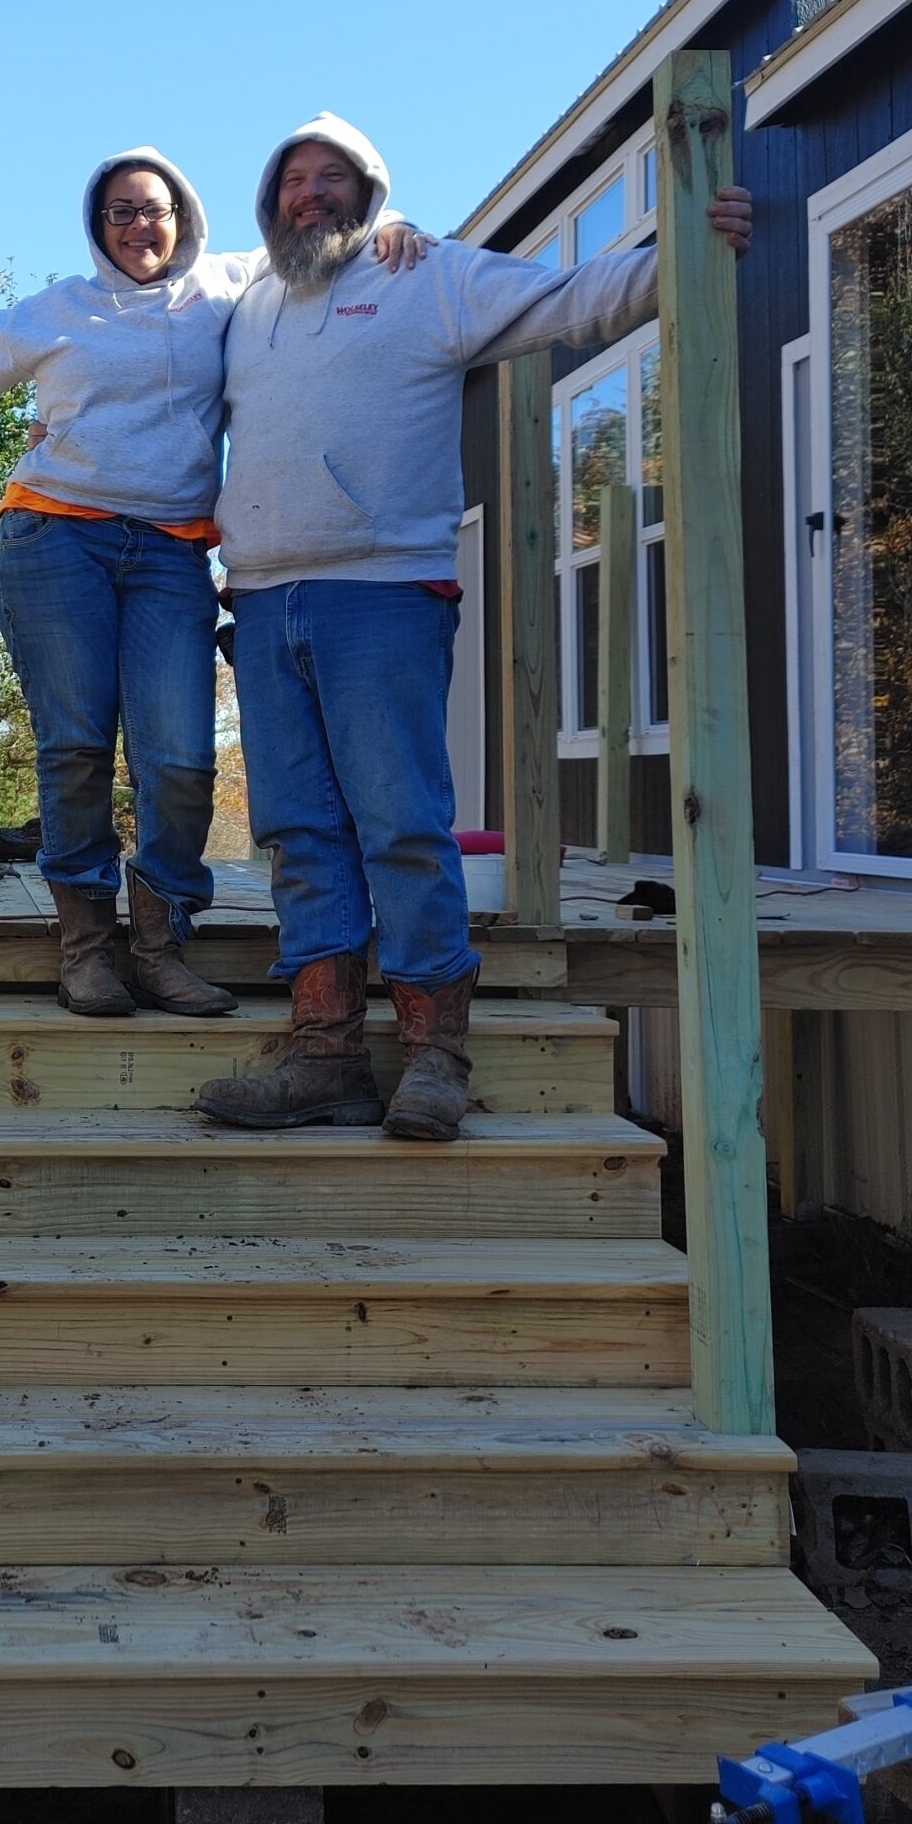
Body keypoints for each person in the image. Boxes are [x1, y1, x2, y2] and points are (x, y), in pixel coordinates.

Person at [196, 111, 751, 1140]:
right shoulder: (247, 300)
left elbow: (567, 296)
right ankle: (323, 1057)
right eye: (291, 180)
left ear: (369, 192)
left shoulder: (428, 276)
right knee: (302, 834)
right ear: (270, 201)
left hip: (383, 592)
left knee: (400, 822)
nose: (308, 194)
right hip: (265, 600)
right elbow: (161, 282)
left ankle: (433, 1055)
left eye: (333, 179)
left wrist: (686, 237)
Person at [0, 149, 420, 1018]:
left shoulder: (226, 285)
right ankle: (88, 950)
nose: (139, 225)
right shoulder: (61, 309)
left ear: (185, 217)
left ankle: (163, 947)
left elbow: (315, 237)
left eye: (155, 209)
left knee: (178, 758)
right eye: (120, 212)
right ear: (98, 227)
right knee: (78, 750)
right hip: (56, 539)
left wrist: (390, 231)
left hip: (170, 553)